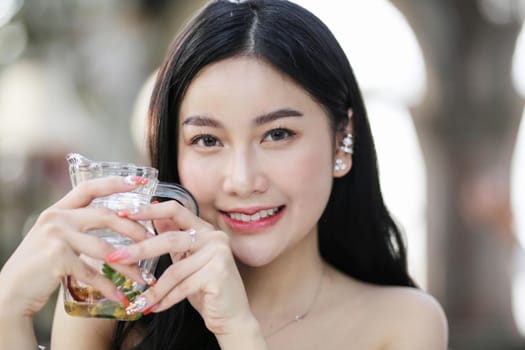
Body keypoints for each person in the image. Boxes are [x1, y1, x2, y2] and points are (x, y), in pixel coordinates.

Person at [0, 0, 448, 349]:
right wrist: (7, 314)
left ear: (341, 141)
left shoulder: (403, 325)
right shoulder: (112, 298)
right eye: (208, 141)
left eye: (277, 134)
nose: (241, 179)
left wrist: (238, 332)